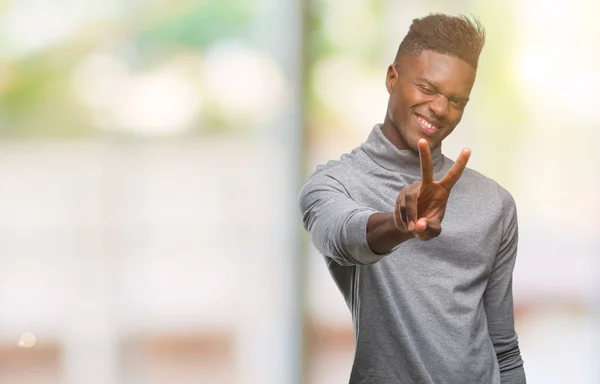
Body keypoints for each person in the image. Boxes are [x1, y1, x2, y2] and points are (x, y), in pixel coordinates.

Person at [298, 13, 526, 383]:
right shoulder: (334, 184)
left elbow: (503, 346)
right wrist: (401, 224)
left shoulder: (494, 203)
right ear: (392, 78)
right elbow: (342, 237)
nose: (440, 109)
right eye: (427, 88)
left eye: (456, 100)